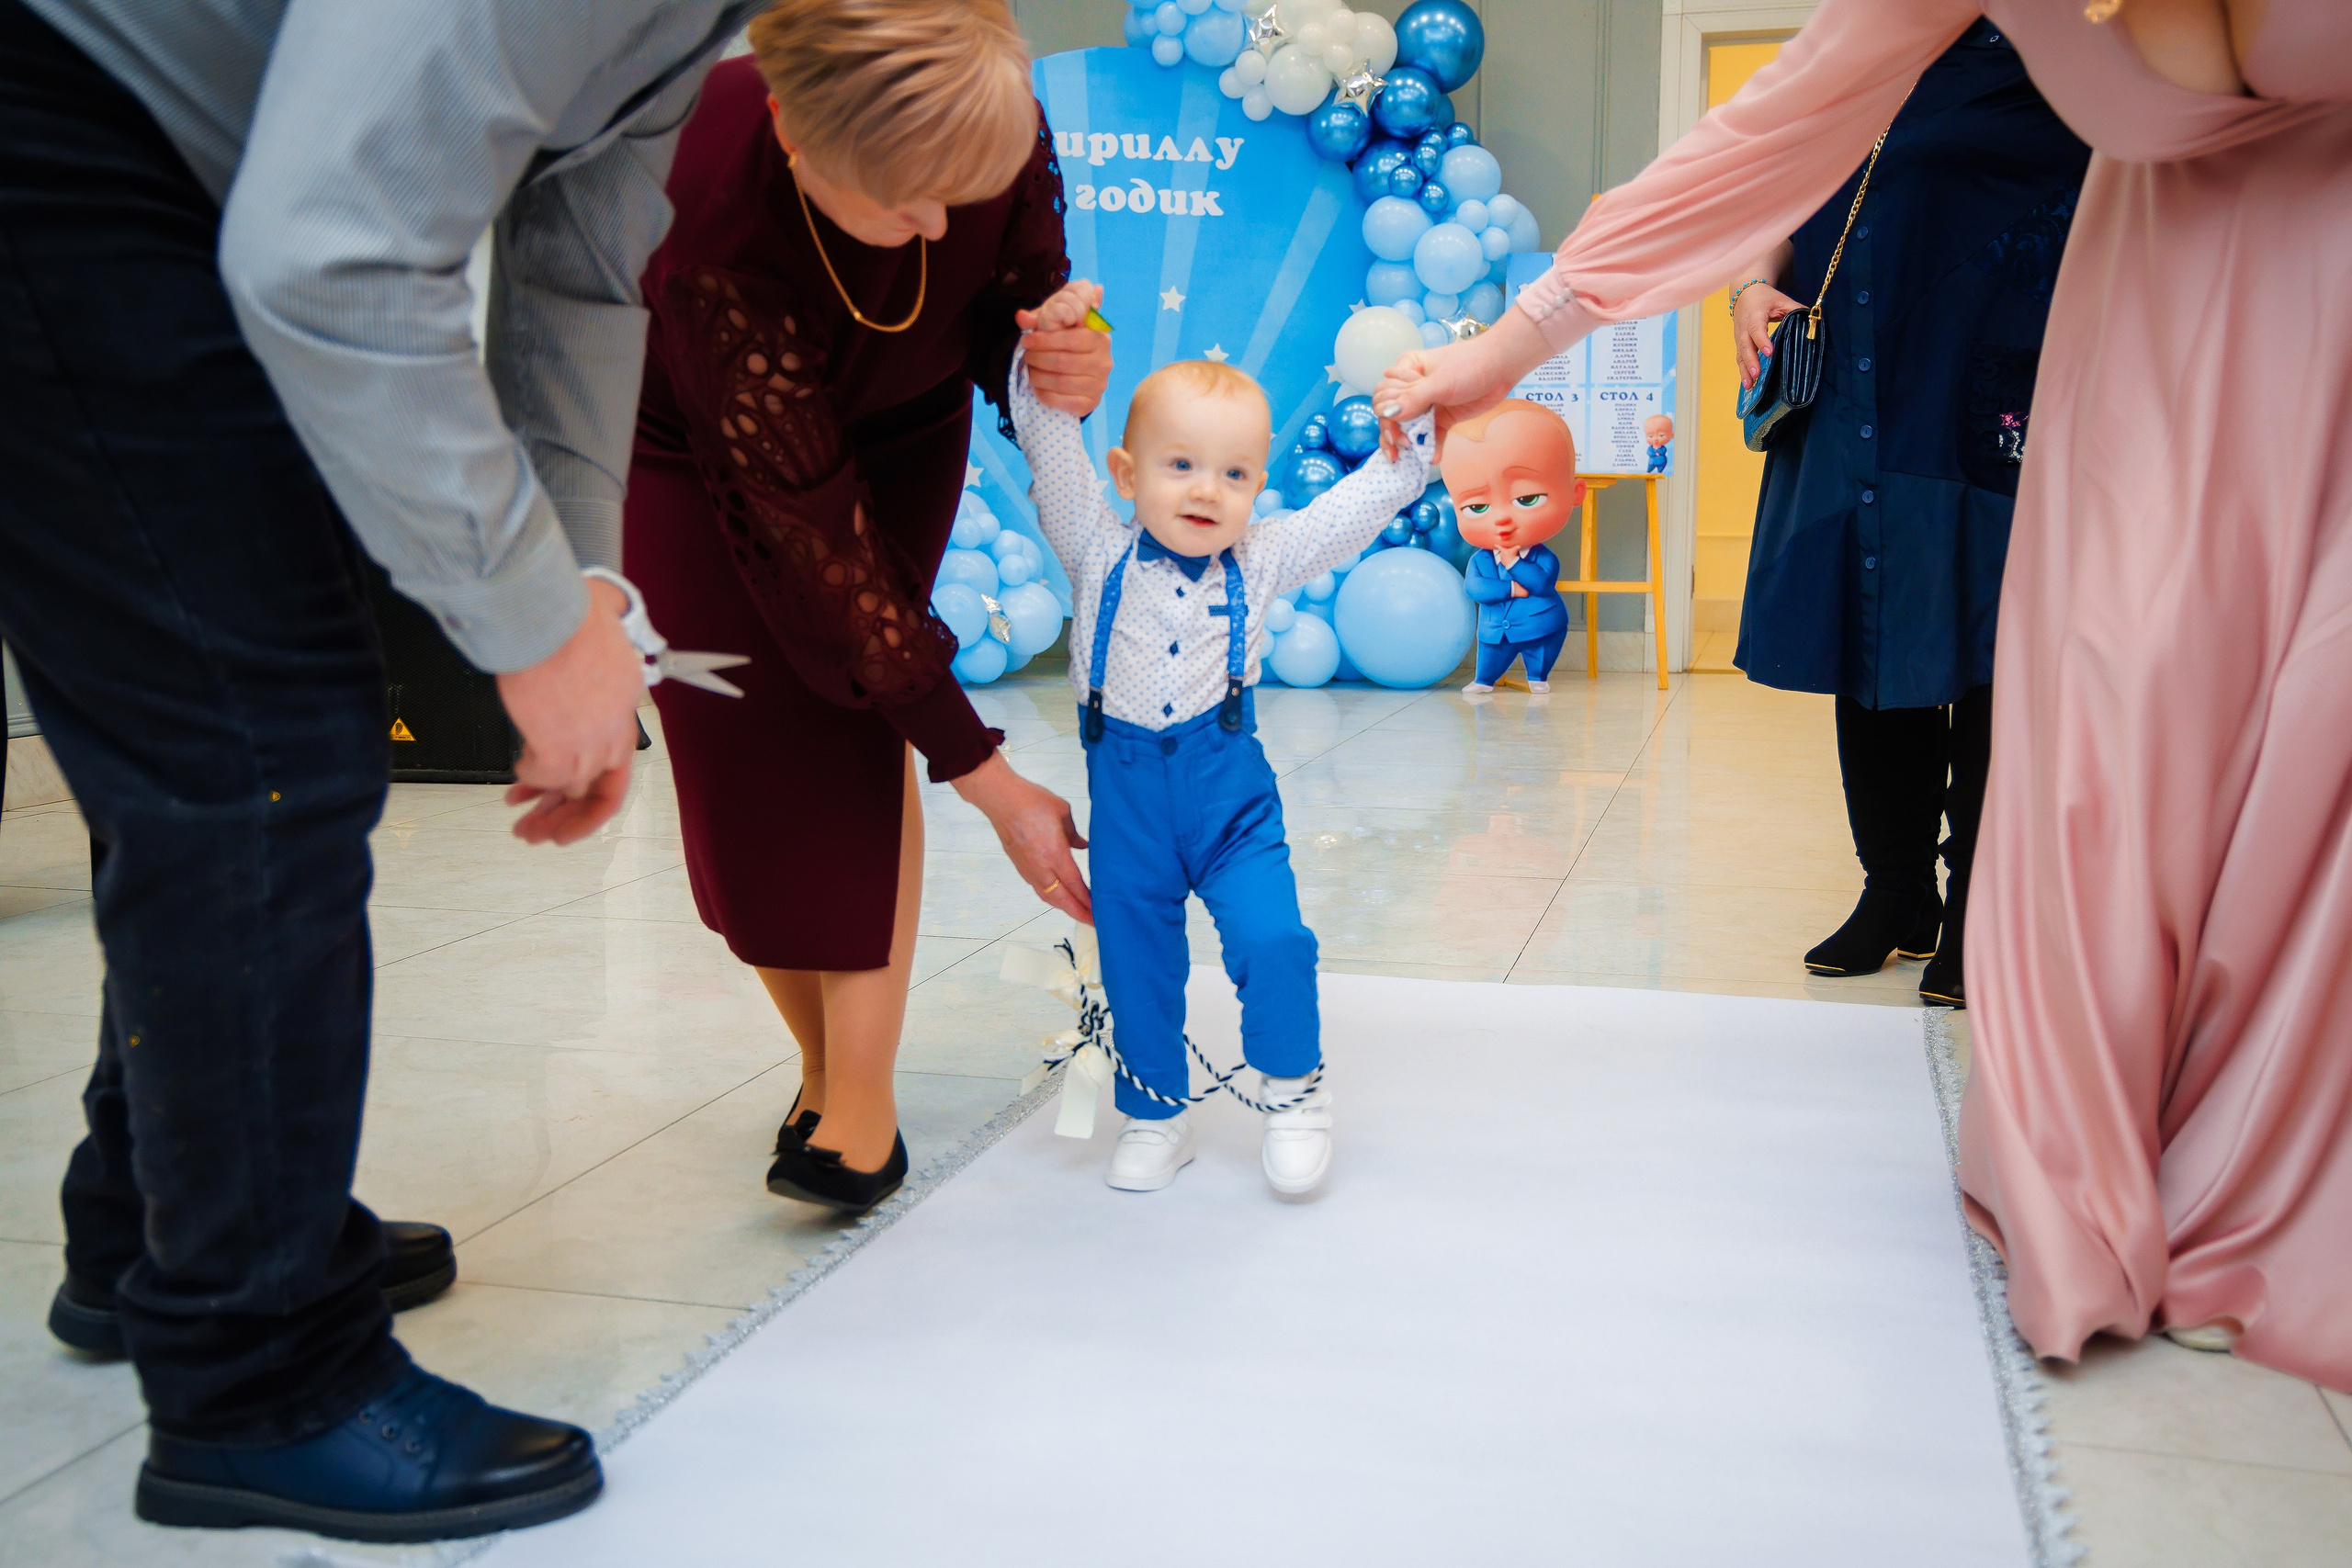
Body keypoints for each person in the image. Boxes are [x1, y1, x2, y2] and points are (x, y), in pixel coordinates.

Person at [1375, 0, 2352, 1391]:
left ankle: (2272, 1174)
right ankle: (2113, 1120)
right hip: (2158, 336)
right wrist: (1508, 346)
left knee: (2312, 742)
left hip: (2260, 325)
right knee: (2122, 726)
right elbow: (1771, 129)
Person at [0, 0, 776, 1540]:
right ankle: (259, 1375)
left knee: (242, 724)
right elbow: (333, 256)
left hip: (172, 169)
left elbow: (579, 265)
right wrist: (525, 622)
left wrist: (585, 596)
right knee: (252, 745)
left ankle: (167, 1228)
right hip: (56, 126)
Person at [626, 0, 1108, 1217]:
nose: (937, 230)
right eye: (905, 204)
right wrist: (995, 781)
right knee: (740, 749)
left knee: (847, 724)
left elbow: (1028, 298)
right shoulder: (708, 205)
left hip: (902, 430)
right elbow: (810, 539)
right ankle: (822, 1064)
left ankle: (861, 1106)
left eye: (963, 192)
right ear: (794, 129)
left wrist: (1064, 353)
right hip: (694, 451)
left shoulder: (983, 113)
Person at [1012, 293, 1435, 1196]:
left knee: (1274, 938)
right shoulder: (1095, 548)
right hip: (1127, 807)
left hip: (1230, 802)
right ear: (1126, 474)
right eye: (1180, 466)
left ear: (1256, 486)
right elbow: (1052, 456)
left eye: (1235, 474)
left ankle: (1295, 1092)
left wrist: (1413, 434)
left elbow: (1354, 509)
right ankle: (1156, 1115)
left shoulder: (1264, 557)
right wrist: (1049, 357)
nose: (1208, 490)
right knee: (1137, 962)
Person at [1725, 21, 2088, 1005]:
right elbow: (1783, 175)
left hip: (1990, 381)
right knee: (1866, 631)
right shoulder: (1858, 42)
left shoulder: (2057, 46)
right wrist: (1755, 278)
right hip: (1852, 384)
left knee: (1987, 645)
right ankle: (1895, 893)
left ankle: (1978, 902)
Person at [1446, 400, 1584, 695]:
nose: (1502, 519)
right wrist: (1510, 590)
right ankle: (1484, 679)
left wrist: (1512, 564)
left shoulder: (1543, 557)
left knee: (1540, 653)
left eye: (1527, 499)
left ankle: (1538, 675)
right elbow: (1475, 589)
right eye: (1477, 506)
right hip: (1495, 632)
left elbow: (1542, 583)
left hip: (1542, 625)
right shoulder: (1480, 561)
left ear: (1576, 493)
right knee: (1490, 661)